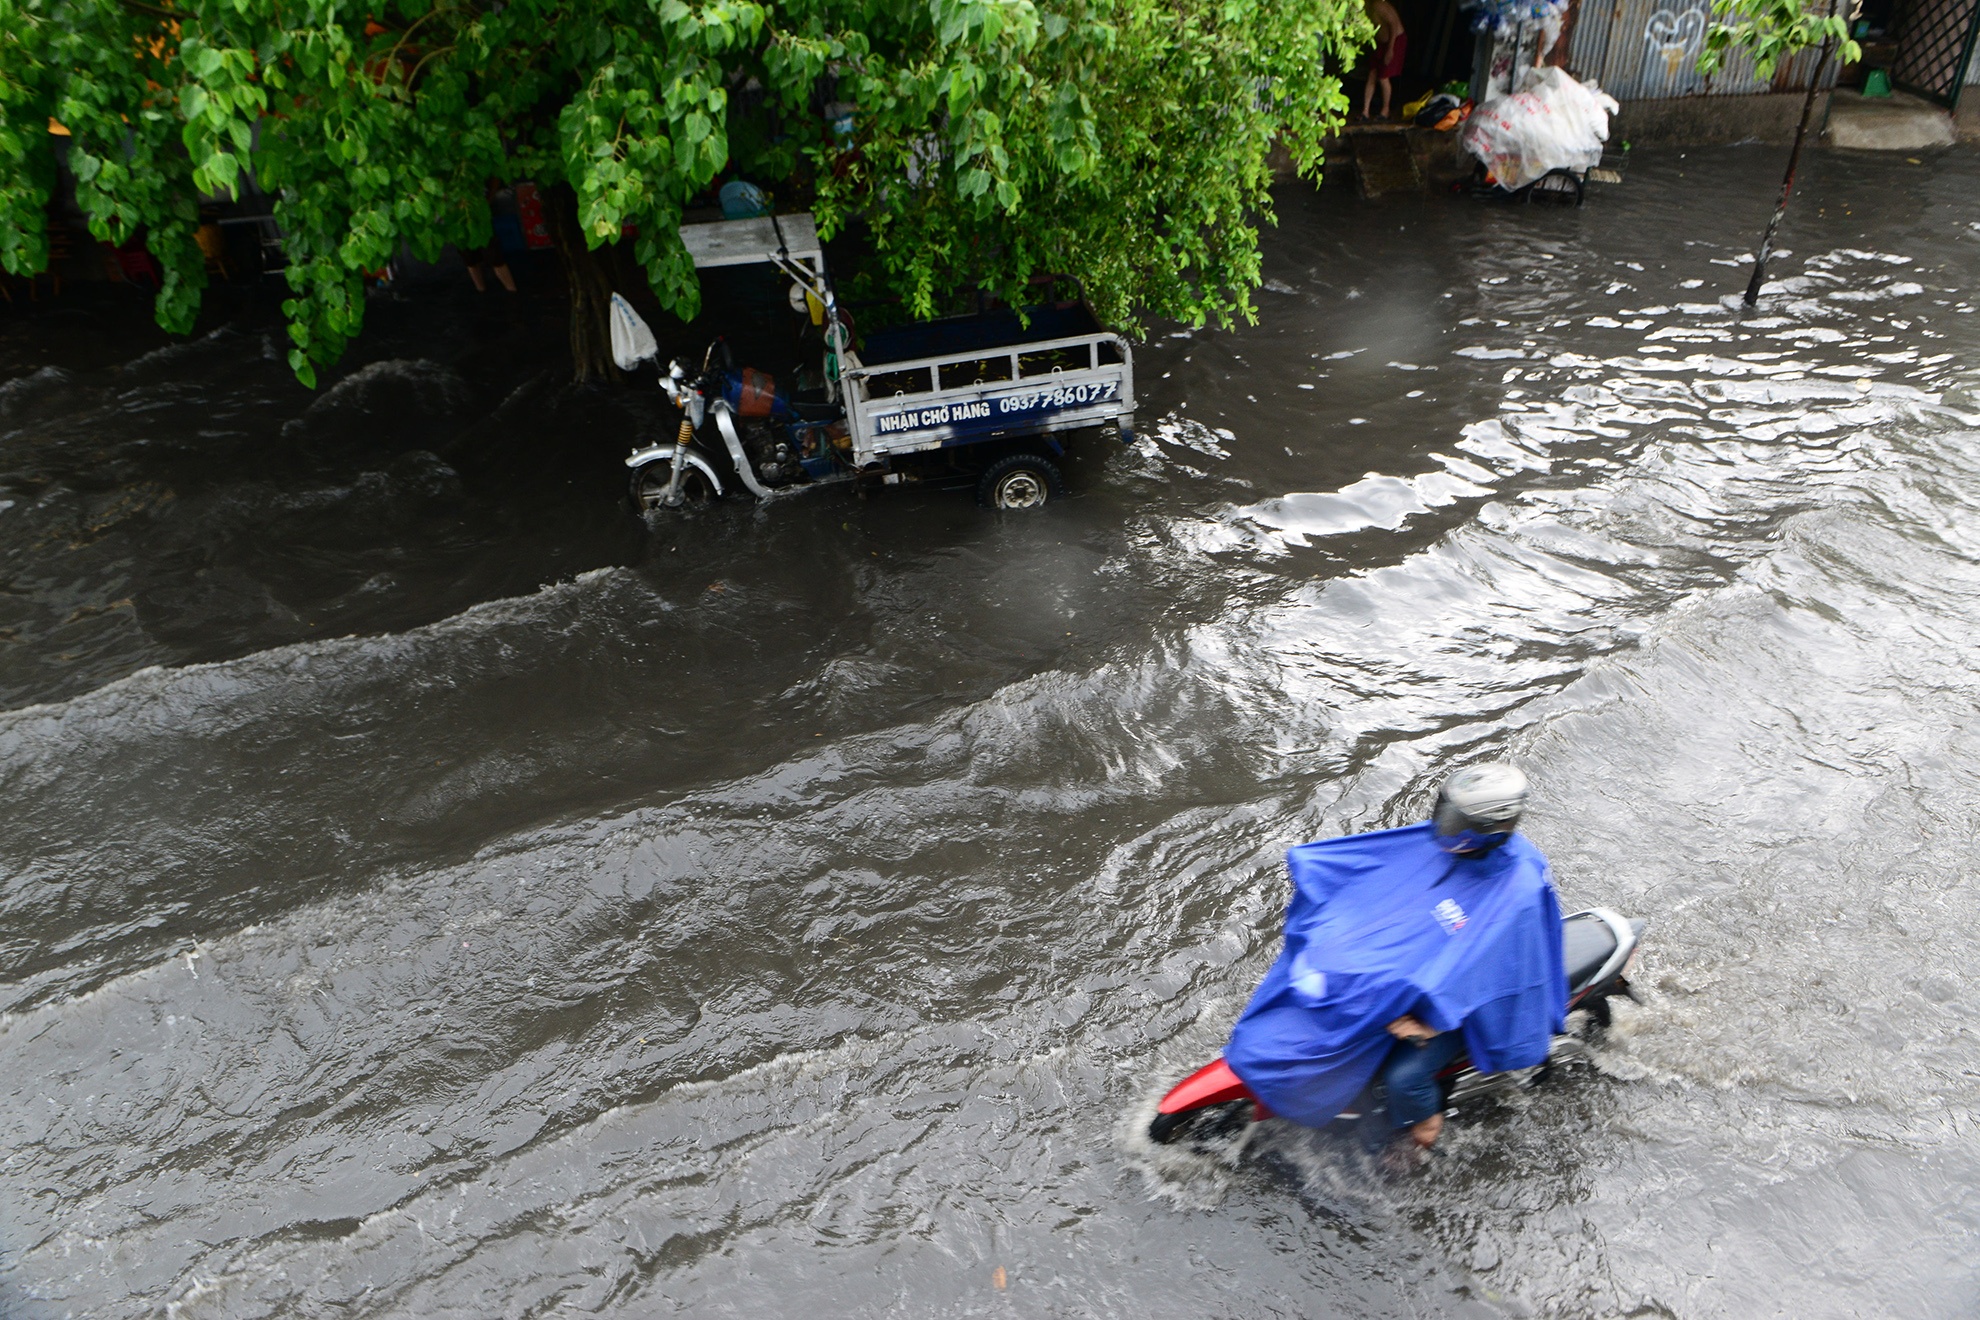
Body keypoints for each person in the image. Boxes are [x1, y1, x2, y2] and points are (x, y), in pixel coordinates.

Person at [1222, 763, 1568, 1160]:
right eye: (1444, 812)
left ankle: (1423, 1128)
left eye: (1455, 821)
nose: (1441, 825)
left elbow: (1487, 974)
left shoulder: (1516, 890)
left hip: (1466, 1008)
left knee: (1404, 1077)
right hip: (1422, 980)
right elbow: (1378, 881)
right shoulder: (1444, 845)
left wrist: (1428, 1024)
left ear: (1489, 827)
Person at [1360, 0, 1408, 121]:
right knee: (1372, 74)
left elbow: (1393, 25)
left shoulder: (1379, 5)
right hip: (1380, 43)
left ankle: (1385, 110)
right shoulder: (1366, 8)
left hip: (1394, 40)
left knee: (1383, 76)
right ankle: (1365, 111)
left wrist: (1390, 49)